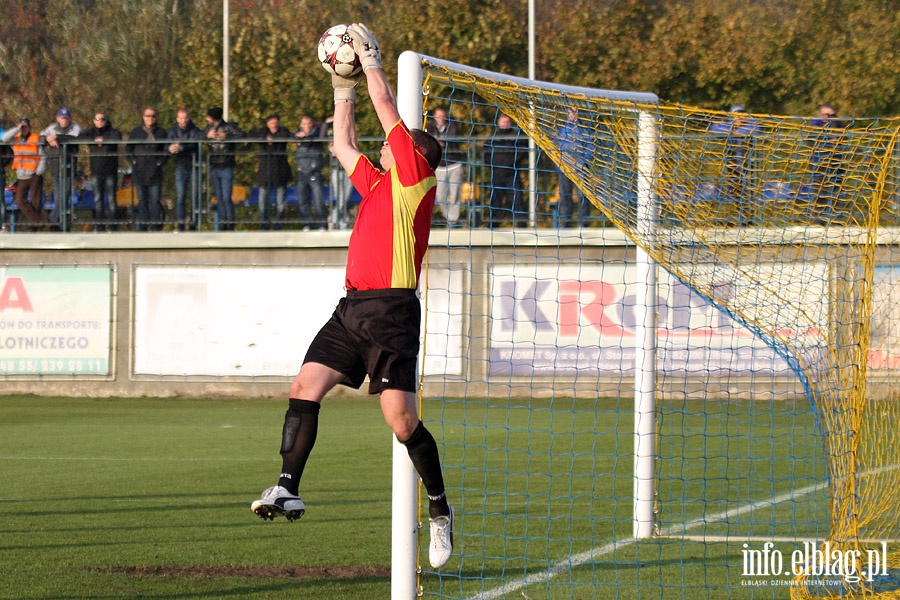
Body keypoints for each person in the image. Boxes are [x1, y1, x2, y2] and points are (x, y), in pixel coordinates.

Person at [250, 23, 455, 570]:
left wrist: (368, 61)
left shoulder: (414, 179)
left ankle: (439, 509)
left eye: (403, 141)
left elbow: (386, 105)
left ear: (414, 155)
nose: (394, 142)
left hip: (391, 312)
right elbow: (341, 143)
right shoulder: (379, 181)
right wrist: (340, 88)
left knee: (401, 423)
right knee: (304, 386)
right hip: (351, 307)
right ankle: (287, 486)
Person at [710, 104, 759, 224]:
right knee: (733, 191)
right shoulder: (727, 124)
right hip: (732, 166)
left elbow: (755, 128)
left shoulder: (750, 124)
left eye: (741, 114)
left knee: (747, 192)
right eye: (736, 115)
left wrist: (736, 131)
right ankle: (733, 217)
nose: (739, 117)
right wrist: (732, 129)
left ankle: (747, 218)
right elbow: (715, 128)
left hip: (747, 166)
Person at [482, 113, 528, 228]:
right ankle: (494, 224)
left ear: (510, 123)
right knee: (495, 199)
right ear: (498, 123)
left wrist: (512, 162)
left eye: (507, 122)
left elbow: (522, 150)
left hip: (512, 172)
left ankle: (521, 224)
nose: (505, 124)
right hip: (497, 172)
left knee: (517, 198)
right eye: (503, 122)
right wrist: (492, 164)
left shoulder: (515, 135)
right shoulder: (493, 136)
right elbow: (484, 152)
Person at [40, 107, 82, 231]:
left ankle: (52, 220)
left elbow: (74, 139)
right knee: (59, 197)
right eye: (62, 118)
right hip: (55, 167)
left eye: (66, 118)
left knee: (64, 196)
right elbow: (41, 137)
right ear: (58, 118)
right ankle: (58, 224)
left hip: (68, 167)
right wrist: (47, 139)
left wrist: (56, 138)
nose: (64, 120)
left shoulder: (75, 128)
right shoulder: (51, 128)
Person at [128, 107, 169, 231]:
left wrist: (159, 163)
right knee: (142, 200)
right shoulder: (135, 132)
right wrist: (134, 162)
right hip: (140, 172)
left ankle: (156, 227)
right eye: (148, 116)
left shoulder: (161, 133)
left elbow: (166, 151)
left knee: (155, 200)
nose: (150, 118)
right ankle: (143, 226)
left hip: (155, 173)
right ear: (143, 117)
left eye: (153, 116)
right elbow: (128, 150)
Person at [79, 112, 122, 231]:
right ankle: (100, 226)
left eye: (102, 119)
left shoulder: (112, 131)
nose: (100, 122)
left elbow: (117, 137)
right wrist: (94, 139)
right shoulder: (91, 132)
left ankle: (113, 226)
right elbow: (80, 137)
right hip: (96, 172)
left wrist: (104, 140)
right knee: (98, 200)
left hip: (110, 172)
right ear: (94, 121)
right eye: (98, 119)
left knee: (112, 200)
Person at [807, 103, 848, 225]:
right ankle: (818, 220)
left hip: (835, 165)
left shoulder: (838, 126)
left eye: (830, 115)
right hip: (819, 164)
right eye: (825, 114)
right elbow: (811, 141)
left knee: (836, 192)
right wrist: (827, 139)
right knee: (819, 192)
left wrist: (834, 124)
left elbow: (840, 138)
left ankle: (836, 220)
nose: (827, 117)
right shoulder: (815, 126)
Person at [204, 106, 244, 231]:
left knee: (226, 196)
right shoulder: (208, 128)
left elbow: (242, 136)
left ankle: (230, 221)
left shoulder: (229, 127)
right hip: (214, 165)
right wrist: (207, 136)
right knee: (219, 196)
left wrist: (227, 137)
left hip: (226, 165)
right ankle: (222, 221)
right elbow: (198, 137)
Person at [250, 114, 293, 230]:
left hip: (280, 170)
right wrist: (265, 138)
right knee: (263, 199)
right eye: (271, 123)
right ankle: (263, 223)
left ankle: (278, 223)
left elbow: (286, 136)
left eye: (276, 123)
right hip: (265, 171)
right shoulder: (262, 132)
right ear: (267, 124)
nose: (274, 126)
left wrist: (274, 139)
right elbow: (253, 135)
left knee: (280, 201)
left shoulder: (283, 132)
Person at [2, 118, 47, 228]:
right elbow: (4, 138)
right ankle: (40, 222)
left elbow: (43, 156)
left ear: (29, 127)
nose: (23, 129)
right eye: (22, 127)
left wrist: (39, 172)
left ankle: (35, 227)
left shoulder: (35, 138)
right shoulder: (15, 139)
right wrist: (17, 128)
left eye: (25, 126)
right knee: (20, 200)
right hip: (21, 175)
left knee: (35, 202)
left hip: (34, 174)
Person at [426, 106, 465, 227]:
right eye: (438, 115)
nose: (441, 118)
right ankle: (448, 217)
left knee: (455, 194)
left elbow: (452, 139)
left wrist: (441, 141)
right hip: (439, 166)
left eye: (443, 115)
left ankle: (453, 220)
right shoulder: (429, 126)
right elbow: (430, 140)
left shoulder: (453, 125)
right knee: (440, 195)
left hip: (454, 164)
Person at [555, 107, 592, 228]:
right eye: (571, 112)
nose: (572, 114)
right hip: (565, 168)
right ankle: (566, 222)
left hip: (580, 168)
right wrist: (561, 163)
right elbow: (557, 147)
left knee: (583, 196)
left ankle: (584, 223)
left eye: (575, 112)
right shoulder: (562, 129)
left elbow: (590, 147)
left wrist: (582, 162)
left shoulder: (584, 130)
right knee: (565, 196)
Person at [167, 108, 202, 231]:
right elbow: (167, 143)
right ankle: (180, 224)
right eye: (181, 118)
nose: (184, 120)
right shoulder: (173, 130)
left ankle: (193, 224)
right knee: (181, 196)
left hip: (194, 166)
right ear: (177, 119)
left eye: (186, 118)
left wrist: (181, 147)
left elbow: (193, 144)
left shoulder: (195, 130)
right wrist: (171, 148)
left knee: (194, 196)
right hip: (180, 166)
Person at [293, 114, 329, 230]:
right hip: (302, 171)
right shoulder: (297, 134)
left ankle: (322, 224)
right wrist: (298, 137)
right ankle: (306, 223)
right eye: (304, 124)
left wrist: (326, 123)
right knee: (303, 199)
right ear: (301, 125)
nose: (306, 126)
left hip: (315, 171)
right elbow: (292, 138)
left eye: (309, 124)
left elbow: (321, 136)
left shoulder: (317, 132)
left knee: (318, 199)